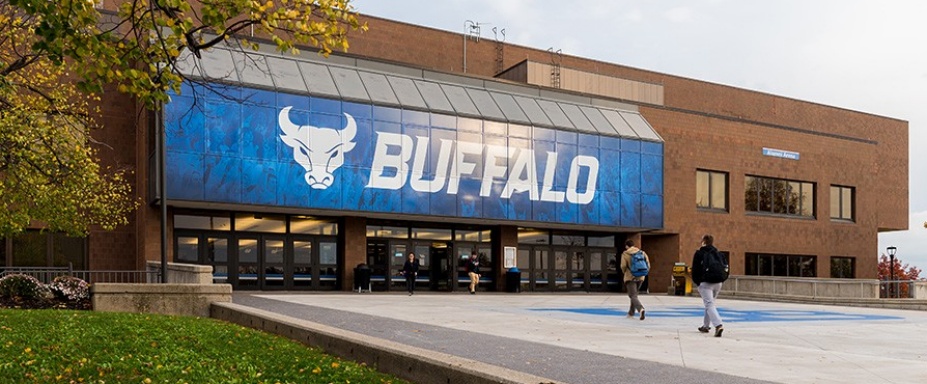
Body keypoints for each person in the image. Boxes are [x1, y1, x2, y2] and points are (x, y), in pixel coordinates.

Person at [691, 234, 724, 337]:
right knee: (710, 304)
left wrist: (697, 282)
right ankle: (705, 326)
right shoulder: (718, 253)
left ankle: (718, 325)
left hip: (706, 283)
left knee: (709, 304)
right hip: (718, 282)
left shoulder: (700, 253)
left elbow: (695, 269)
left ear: (704, 241)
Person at [620, 239, 650, 320]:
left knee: (632, 295)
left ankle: (640, 309)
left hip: (630, 277)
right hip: (641, 277)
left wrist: (625, 273)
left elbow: (623, 266)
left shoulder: (625, 254)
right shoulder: (642, 252)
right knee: (634, 295)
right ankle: (631, 312)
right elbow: (648, 264)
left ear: (627, 246)